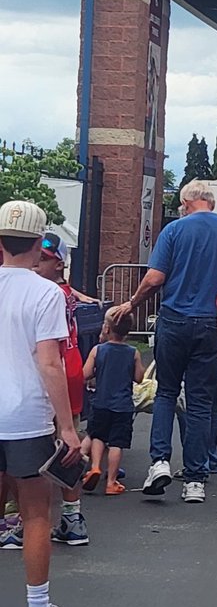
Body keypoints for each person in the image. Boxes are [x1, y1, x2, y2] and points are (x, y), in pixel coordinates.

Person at [108, 179, 217, 504]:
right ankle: (195, 479)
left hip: (175, 319)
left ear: (185, 202)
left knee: (167, 392)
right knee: (199, 401)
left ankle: (159, 462)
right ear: (210, 201)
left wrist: (132, 303)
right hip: (214, 323)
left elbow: (155, 278)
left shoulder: (175, 230)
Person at [0, 199, 81, 607]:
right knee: (35, 514)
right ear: (38, 242)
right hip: (27, 417)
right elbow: (49, 363)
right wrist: (67, 428)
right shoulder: (46, 293)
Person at [33, 234, 90, 545]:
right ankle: (72, 515)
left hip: (57, 369)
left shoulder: (46, 293)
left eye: (44, 259)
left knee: (49, 446)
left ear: (58, 263)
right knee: (65, 446)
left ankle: (22, 517)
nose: (36, 263)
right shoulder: (62, 291)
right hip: (70, 365)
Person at [81, 311, 144, 495]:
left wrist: (96, 373)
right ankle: (111, 482)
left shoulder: (98, 350)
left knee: (98, 436)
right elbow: (139, 378)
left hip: (100, 403)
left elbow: (85, 374)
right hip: (123, 406)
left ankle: (94, 468)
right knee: (117, 442)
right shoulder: (133, 352)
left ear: (107, 328)